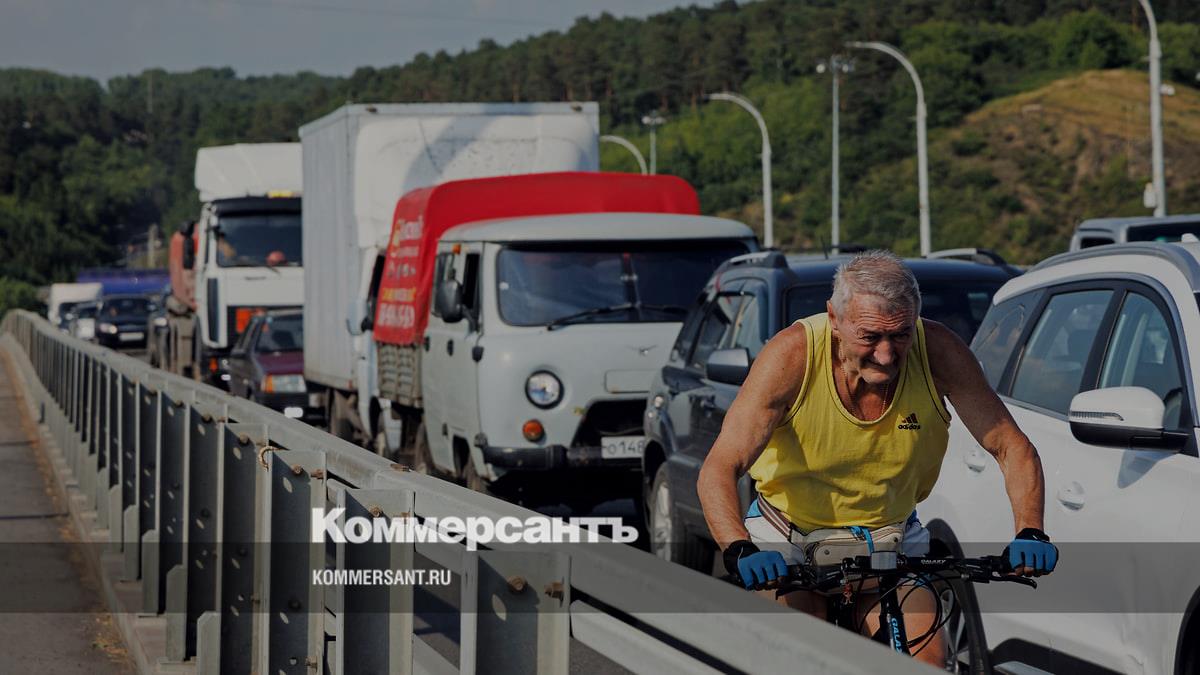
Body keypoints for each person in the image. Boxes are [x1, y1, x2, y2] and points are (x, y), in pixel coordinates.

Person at [697, 250, 1056, 666]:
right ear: (834, 319)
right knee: (799, 656)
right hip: (790, 542)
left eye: (900, 335)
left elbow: (1011, 447)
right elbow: (720, 468)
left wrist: (1030, 530)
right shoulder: (792, 356)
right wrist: (739, 547)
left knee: (927, 660)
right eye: (869, 337)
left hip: (890, 539)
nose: (886, 355)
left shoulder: (938, 351)